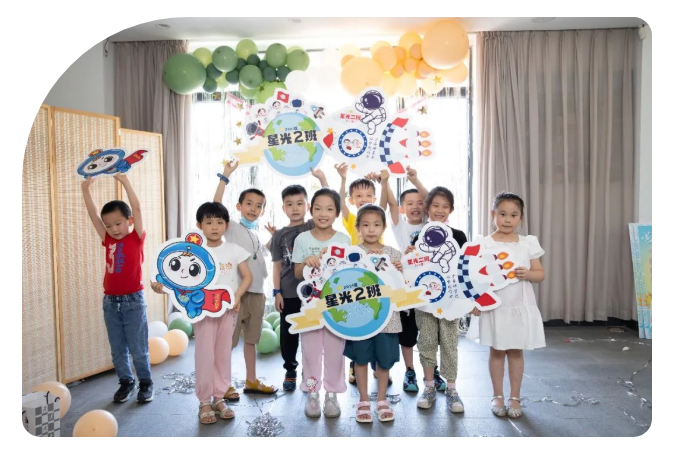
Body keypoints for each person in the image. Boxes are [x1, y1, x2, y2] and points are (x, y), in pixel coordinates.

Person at [152, 202, 252, 424]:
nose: (214, 227)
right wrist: (161, 286)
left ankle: (219, 397)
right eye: (209, 222)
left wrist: (237, 296)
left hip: (227, 311)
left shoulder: (234, 249)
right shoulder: (193, 251)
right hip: (203, 312)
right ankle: (204, 401)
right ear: (199, 225)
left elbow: (247, 277)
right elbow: (176, 277)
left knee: (223, 354)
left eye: (219, 222)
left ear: (226, 225)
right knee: (205, 355)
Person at [468, 192, 545, 419]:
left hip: (519, 305)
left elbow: (540, 274)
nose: (508, 220)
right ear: (493, 214)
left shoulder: (527, 243)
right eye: (502, 214)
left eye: (513, 215)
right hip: (495, 307)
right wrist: (476, 300)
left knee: (515, 351)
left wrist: (528, 273)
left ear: (521, 217)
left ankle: (515, 397)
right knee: (496, 350)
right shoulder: (483, 243)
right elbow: (473, 276)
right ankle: (497, 395)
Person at [81, 174, 153, 403]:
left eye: (118, 223)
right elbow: (93, 215)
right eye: (109, 225)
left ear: (129, 221)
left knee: (138, 348)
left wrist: (124, 181)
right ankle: (126, 381)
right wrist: (85, 189)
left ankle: (145, 382)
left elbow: (137, 208)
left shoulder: (136, 238)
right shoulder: (108, 240)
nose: (113, 229)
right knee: (118, 349)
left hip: (133, 302)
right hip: (111, 303)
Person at [214, 160, 277, 395]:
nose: (253, 208)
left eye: (258, 206)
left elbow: (261, 256)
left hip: (258, 293)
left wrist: (274, 239)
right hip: (236, 294)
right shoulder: (230, 227)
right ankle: (223, 383)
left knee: (251, 340)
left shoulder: (256, 234)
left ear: (263, 211)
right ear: (239, 206)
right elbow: (215, 207)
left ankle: (251, 380)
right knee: (228, 341)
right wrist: (225, 176)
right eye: (249, 204)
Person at [292, 188, 351, 418]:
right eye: (318, 208)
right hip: (310, 307)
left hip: (337, 307)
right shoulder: (302, 239)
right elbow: (297, 273)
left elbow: (349, 275)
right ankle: (313, 393)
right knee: (310, 352)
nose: (323, 213)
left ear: (337, 212)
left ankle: (332, 395)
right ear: (311, 210)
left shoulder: (344, 240)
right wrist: (307, 261)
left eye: (329, 209)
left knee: (336, 352)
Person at [408, 187, 467, 412]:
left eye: (445, 206)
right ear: (427, 208)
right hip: (425, 301)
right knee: (427, 342)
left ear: (451, 210)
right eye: (435, 205)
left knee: (450, 344)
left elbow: (465, 268)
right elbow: (412, 268)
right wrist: (409, 256)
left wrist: (470, 300)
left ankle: (452, 389)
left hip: (451, 301)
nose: (440, 210)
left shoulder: (459, 236)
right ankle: (429, 387)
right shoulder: (418, 236)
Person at [343, 203, 403, 423]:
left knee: (384, 361)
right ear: (358, 227)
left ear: (384, 227)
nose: (371, 229)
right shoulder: (352, 254)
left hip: (388, 318)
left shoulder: (393, 254)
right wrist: (365, 261)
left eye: (376, 224)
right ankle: (363, 400)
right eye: (366, 225)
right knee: (360, 359)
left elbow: (403, 285)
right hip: (360, 317)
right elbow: (345, 283)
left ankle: (382, 400)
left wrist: (399, 269)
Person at [270, 169, 328, 391]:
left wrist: (322, 179)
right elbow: (277, 265)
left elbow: (328, 201)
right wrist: (277, 292)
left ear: (308, 206)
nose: (295, 208)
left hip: (315, 292)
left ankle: (310, 370)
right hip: (289, 292)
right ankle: (290, 369)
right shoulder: (279, 235)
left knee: (313, 332)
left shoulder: (312, 226)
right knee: (289, 333)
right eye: (290, 204)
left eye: (299, 203)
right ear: (283, 208)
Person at [379, 166, 429, 392]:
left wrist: (416, 180)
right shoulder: (401, 227)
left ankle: (432, 370)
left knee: (428, 333)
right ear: (403, 208)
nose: (416, 206)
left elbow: (431, 198)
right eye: (410, 203)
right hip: (406, 287)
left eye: (420, 203)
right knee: (407, 334)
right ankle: (410, 371)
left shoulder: (431, 225)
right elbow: (390, 204)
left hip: (429, 286)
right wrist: (385, 181)